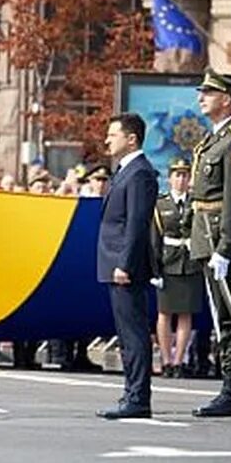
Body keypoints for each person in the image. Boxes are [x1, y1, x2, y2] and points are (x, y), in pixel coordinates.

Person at [189, 70, 231, 418]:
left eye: (209, 92)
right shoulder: (211, 140)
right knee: (219, 315)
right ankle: (229, 388)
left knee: (230, 314)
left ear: (227, 99)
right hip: (206, 234)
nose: (201, 97)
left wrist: (225, 249)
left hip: (222, 237)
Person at [95, 113, 158, 420]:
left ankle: (138, 397)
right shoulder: (125, 171)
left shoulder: (140, 173)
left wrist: (125, 263)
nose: (107, 140)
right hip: (115, 261)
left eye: (113, 134)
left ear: (131, 138)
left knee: (133, 332)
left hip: (125, 265)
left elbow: (136, 223)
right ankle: (131, 392)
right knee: (126, 331)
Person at [152, 159, 204, 378]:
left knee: (185, 313)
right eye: (177, 175)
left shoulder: (196, 204)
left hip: (190, 262)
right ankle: (165, 360)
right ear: (170, 178)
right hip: (167, 262)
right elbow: (154, 239)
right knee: (164, 313)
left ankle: (178, 361)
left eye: (185, 175)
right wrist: (154, 270)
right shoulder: (160, 204)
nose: (181, 179)